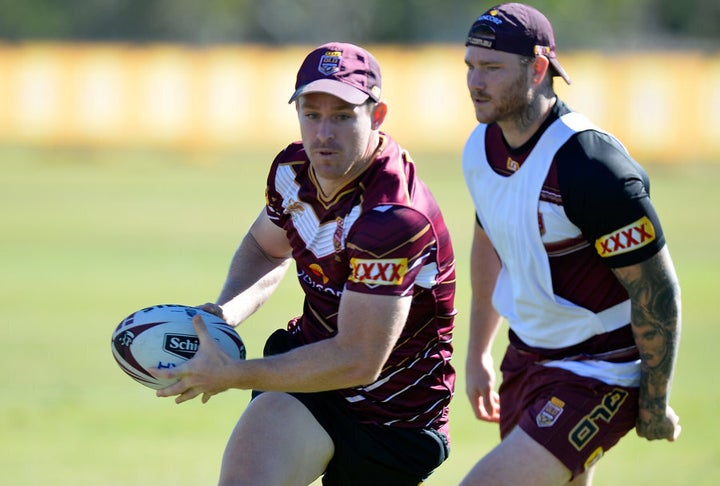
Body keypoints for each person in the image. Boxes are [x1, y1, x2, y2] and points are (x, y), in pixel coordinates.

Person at [150, 42, 457, 486]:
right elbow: (266, 249)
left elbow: (357, 359)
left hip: (395, 417)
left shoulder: (391, 218)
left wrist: (233, 375)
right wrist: (224, 314)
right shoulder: (292, 170)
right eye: (311, 114)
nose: (323, 134)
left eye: (342, 116)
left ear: (378, 114)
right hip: (306, 382)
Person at [459, 3, 682, 485]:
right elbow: (489, 245)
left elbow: (658, 292)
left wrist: (655, 402)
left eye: (492, 68)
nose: (476, 82)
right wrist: (478, 351)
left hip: (601, 369)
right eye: (470, 67)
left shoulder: (592, 166)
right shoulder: (481, 147)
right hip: (527, 356)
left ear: (538, 69)